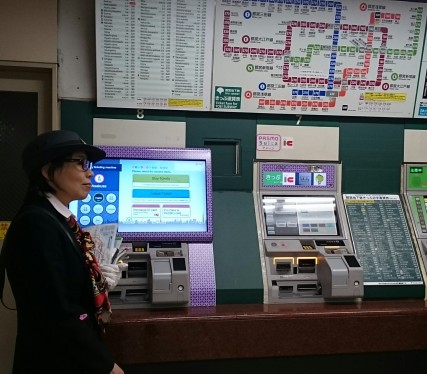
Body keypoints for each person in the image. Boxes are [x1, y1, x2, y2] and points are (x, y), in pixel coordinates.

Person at [1, 130, 124, 374]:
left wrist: (98, 281)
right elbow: (58, 312)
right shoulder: (36, 223)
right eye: (79, 163)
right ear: (47, 172)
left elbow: (65, 285)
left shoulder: (58, 220)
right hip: (55, 360)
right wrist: (106, 366)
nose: (90, 172)